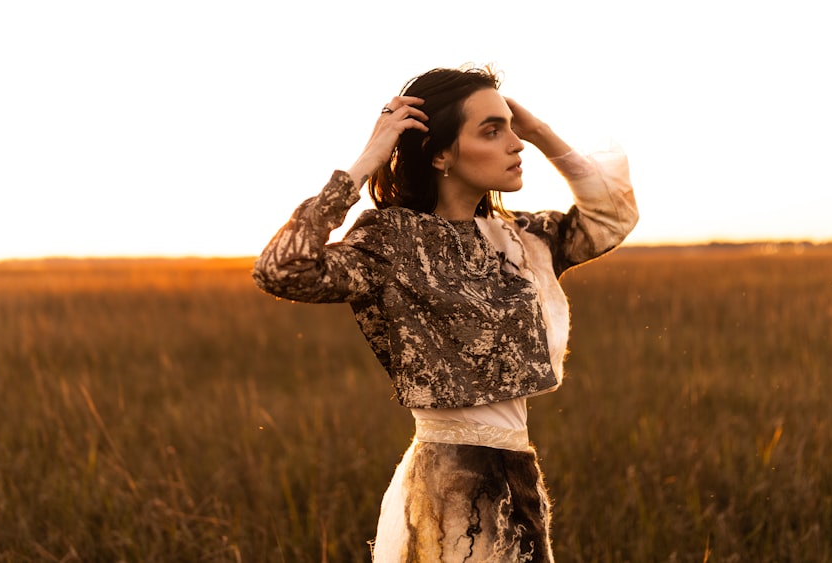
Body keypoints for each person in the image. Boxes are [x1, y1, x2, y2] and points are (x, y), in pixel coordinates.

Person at [253, 65, 638, 562]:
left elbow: (613, 217)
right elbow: (282, 269)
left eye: (512, 128)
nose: (515, 144)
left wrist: (541, 132)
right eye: (492, 131)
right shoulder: (393, 239)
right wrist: (368, 159)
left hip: (518, 473)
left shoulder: (520, 239)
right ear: (440, 154)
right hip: (453, 485)